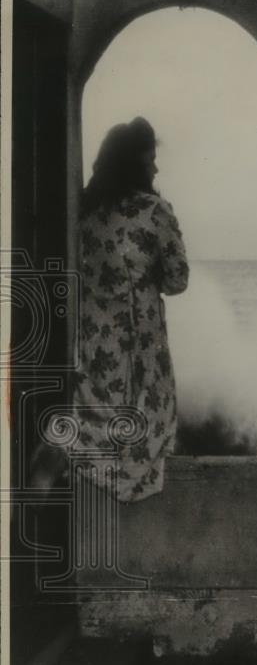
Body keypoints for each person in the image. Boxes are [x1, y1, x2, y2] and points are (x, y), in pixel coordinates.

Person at [31, 117, 189, 501]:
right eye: (150, 159)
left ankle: (56, 455)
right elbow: (177, 280)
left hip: (93, 338)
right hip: (138, 341)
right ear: (135, 163)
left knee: (94, 411)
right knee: (144, 416)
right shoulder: (154, 210)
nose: (156, 167)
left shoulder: (84, 209)